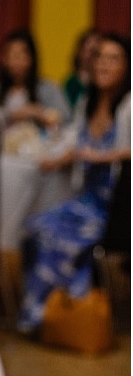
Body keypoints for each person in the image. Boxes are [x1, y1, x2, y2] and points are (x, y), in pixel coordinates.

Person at [21, 33, 131, 332]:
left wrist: (106, 156)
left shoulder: (130, 107)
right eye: (100, 57)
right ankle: (45, 315)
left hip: (116, 208)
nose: (104, 65)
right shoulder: (87, 102)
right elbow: (74, 141)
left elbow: (114, 152)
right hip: (85, 201)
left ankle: (68, 316)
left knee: (58, 239)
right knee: (34, 229)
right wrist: (56, 159)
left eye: (114, 58)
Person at [0, 28, 71, 135]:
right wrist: (12, 115)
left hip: (41, 149)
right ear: (3, 58)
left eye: (21, 55)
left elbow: (66, 120)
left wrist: (40, 113)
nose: (16, 60)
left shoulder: (48, 89)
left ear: (32, 58)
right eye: (11, 55)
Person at [64, 27, 103, 108]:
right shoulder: (71, 84)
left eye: (96, 52)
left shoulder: (106, 85)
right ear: (79, 52)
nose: (91, 56)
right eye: (89, 51)